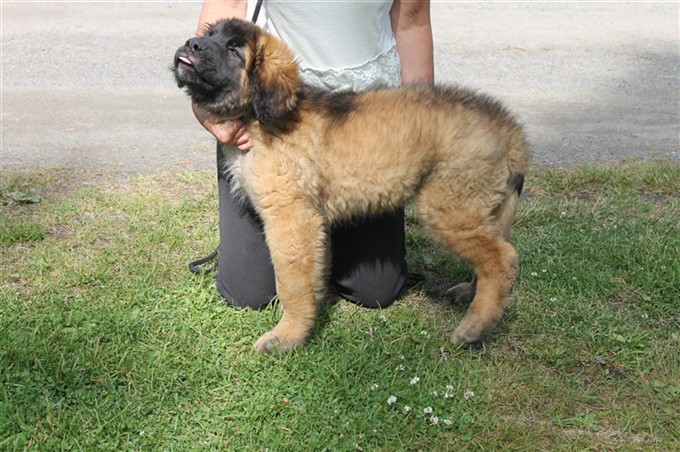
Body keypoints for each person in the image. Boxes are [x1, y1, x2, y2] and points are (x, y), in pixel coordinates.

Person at [193, 0, 434, 310]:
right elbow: (227, 6)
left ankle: (323, 227)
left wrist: (424, 121)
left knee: (375, 289)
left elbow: (412, 23)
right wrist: (205, 106)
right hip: (274, 110)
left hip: (368, 123)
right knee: (248, 293)